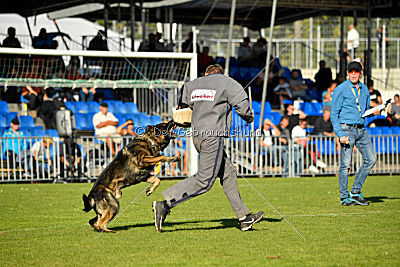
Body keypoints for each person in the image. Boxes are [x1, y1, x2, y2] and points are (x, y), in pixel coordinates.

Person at [152, 64, 264, 232]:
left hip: (197, 136)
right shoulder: (228, 83)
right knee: (204, 181)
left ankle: (244, 218)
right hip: (213, 136)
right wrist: (248, 117)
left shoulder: (192, 85)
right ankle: (165, 204)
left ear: (206, 74)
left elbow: (181, 108)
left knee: (228, 173)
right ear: (221, 73)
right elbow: (243, 105)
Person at [330, 61, 379, 206]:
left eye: (356, 71)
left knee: (371, 159)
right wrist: (340, 135)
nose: (353, 74)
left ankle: (356, 192)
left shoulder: (364, 89)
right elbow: (334, 114)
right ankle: (344, 197)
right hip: (346, 129)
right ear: (347, 73)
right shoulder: (341, 89)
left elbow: (363, 112)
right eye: (351, 71)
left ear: (360, 73)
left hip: (361, 129)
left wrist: (375, 112)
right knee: (345, 165)